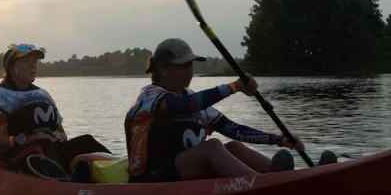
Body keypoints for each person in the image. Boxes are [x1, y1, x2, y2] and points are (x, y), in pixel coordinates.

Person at [124, 38, 336, 183]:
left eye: (191, 65)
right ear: (162, 68)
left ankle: (283, 177)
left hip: (182, 174)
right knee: (213, 147)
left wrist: (278, 139)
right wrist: (234, 87)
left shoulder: (191, 98)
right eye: (182, 66)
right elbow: (184, 107)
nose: (189, 71)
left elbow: (233, 128)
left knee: (233, 146)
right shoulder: (149, 96)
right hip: (150, 178)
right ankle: (264, 187)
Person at [0, 43, 111, 180]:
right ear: (11, 67)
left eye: (34, 62)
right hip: (13, 155)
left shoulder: (43, 95)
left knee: (86, 141)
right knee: (40, 145)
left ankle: (124, 172)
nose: (32, 66)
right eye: (25, 61)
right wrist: (23, 140)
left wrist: (59, 136)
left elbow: (62, 132)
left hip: (48, 150)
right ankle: (66, 184)